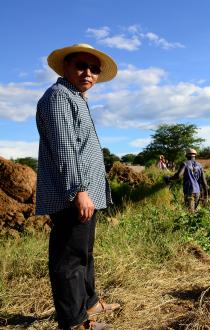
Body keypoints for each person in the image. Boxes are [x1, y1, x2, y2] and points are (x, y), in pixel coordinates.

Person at [36, 44, 119, 330]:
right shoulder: (59, 97)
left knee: (84, 252)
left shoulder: (77, 98)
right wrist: (79, 191)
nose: (88, 73)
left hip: (85, 193)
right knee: (69, 259)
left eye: (94, 69)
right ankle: (74, 322)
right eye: (81, 66)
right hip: (73, 195)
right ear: (66, 68)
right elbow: (65, 149)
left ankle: (90, 302)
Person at [164, 148, 209, 212]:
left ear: (187, 156)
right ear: (195, 156)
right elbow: (204, 182)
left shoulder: (185, 164)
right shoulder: (200, 166)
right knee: (195, 211)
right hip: (197, 192)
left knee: (189, 213)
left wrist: (169, 178)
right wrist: (206, 196)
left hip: (189, 192)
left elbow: (178, 176)